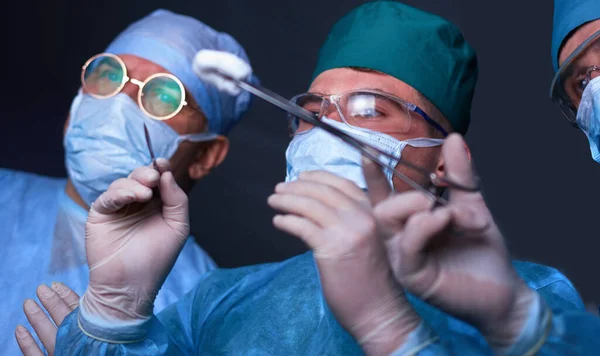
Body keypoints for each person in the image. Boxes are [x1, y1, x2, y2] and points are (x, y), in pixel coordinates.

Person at [17, 1, 598, 355]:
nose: (329, 128)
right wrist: (114, 321)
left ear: (443, 160)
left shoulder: (528, 302)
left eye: (371, 110)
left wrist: (391, 330)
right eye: (314, 111)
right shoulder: (220, 301)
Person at [6, 9, 255, 355]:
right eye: (108, 76)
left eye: (165, 96)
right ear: (75, 106)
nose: (119, 103)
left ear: (205, 156)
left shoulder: (205, 305)